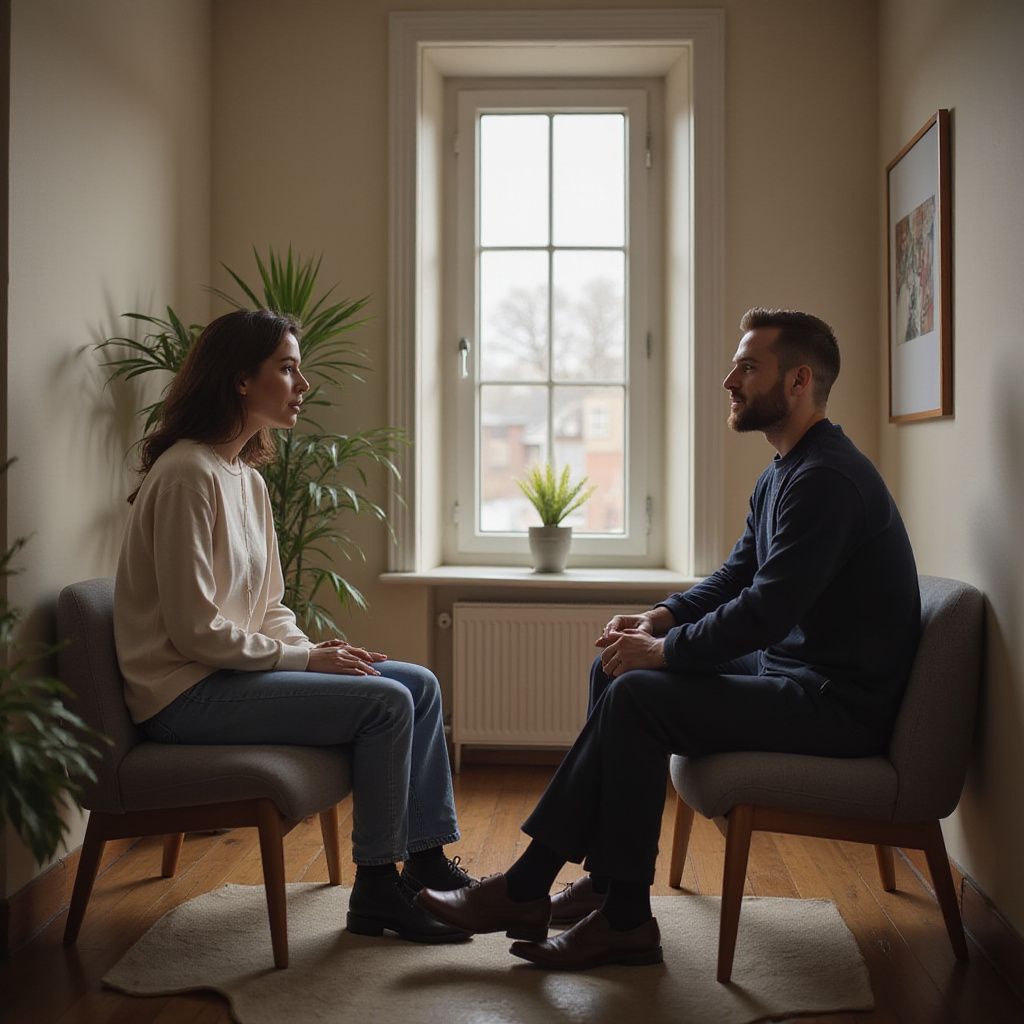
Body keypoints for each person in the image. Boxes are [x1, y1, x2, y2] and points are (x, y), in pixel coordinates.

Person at [417, 307, 921, 970]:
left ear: (799, 381)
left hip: (837, 705)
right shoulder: (785, 471)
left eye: (748, 367)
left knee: (638, 695)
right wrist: (657, 619)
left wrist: (664, 652)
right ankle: (607, 886)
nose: (729, 381)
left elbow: (765, 611)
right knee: (614, 671)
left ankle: (572, 902)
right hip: (793, 677)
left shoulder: (827, 479)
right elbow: (737, 576)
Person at [113, 308, 472, 944]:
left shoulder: (246, 480)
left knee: (418, 683)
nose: (302, 385)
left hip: (227, 678)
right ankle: (377, 889)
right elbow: (194, 631)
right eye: (286, 369)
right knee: (387, 702)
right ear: (240, 379)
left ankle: (425, 861)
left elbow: (270, 606)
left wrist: (315, 653)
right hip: (183, 695)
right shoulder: (186, 474)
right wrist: (306, 664)